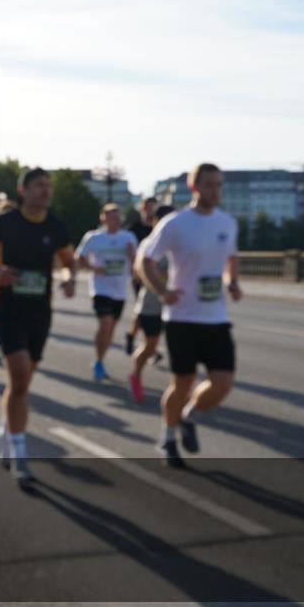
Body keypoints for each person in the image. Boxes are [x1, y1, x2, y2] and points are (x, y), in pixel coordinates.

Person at [0, 168, 75, 485]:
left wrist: (69, 279)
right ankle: (19, 452)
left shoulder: (56, 226)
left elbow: (69, 260)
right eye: (39, 186)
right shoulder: (5, 222)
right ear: (23, 190)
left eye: (48, 186)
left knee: (23, 383)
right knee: (18, 375)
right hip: (8, 310)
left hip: (40, 312)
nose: (45, 191)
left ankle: (6, 429)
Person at [139, 163, 241, 468]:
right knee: (182, 383)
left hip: (216, 317)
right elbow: (145, 261)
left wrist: (232, 281)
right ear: (194, 187)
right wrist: (161, 291)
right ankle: (167, 437)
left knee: (223, 383)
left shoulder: (227, 223)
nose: (216, 191)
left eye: (219, 185)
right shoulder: (175, 224)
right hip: (182, 317)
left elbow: (231, 258)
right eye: (209, 185)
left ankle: (190, 415)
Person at [75, 204, 138, 381]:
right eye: (111, 217)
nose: (116, 220)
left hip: (119, 290)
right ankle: (99, 363)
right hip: (100, 288)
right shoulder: (94, 237)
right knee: (105, 324)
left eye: (118, 217)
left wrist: (132, 254)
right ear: (103, 219)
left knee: (110, 330)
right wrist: (94, 268)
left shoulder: (128, 237)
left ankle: (99, 360)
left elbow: (136, 264)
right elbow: (79, 258)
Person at [128, 205, 174, 403]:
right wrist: (162, 276)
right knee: (150, 346)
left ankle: (178, 390)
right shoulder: (149, 244)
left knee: (177, 347)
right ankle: (136, 376)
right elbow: (138, 272)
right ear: (155, 223)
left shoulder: (181, 244)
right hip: (152, 303)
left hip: (175, 305)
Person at [125, 196, 158, 355]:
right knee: (145, 309)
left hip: (158, 274)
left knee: (148, 310)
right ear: (142, 209)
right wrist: (135, 270)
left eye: (153, 207)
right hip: (139, 274)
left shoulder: (159, 229)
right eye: (147, 207)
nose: (150, 210)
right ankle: (149, 345)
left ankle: (134, 336)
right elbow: (131, 252)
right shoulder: (133, 229)